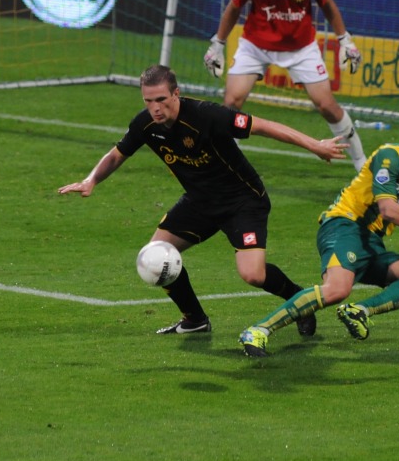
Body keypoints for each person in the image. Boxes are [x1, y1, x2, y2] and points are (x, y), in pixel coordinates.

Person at [59, 64, 348, 336]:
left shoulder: (206, 115)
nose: (155, 108)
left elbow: (262, 126)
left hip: (242, 201)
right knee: (154, 257)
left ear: (176, 93)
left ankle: (300, 302)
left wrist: (314, 145)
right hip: (200, 203)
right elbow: (117, 154)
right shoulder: (146, 124)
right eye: (148, 101)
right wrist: (91, 180)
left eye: (161, 99)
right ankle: (195, 320)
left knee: (253, 274)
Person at [239, 106, 399, 357]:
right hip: (344, 225)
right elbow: (388, 210)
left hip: (371, 243)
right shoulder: (391, 155)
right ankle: (258, 330)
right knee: (337, 289)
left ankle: (360, 311)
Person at [203, 0, 367, 172]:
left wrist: (345, 40)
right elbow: (233, 10)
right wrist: (217, 44)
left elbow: (328, 7)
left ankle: (361, 163)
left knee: (326, 105)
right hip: (255, 46)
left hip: (301, 48)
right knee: (232, 100)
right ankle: (228, 161)